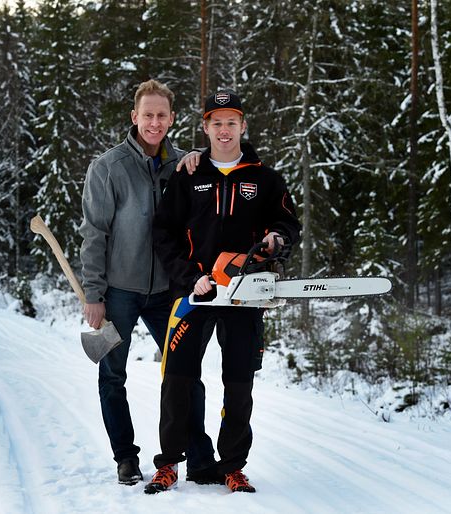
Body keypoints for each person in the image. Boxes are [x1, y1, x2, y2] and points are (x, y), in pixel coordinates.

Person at [146, 90, 301, 494]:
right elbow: (164, 233)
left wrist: (276, 241)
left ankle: (232, 465)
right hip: (195, 293)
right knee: (177, 378)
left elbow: (289, 226)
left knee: (238, 383)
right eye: (216, 122)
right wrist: (187, 277)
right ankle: (169, 464)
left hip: (244, 294)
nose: (224, 129)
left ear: (243, 125)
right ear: (205, 127)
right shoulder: (189, 173)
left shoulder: (265, 178)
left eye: (231, 122)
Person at [80, 79, 218, 486]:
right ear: (134, 117)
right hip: (120, 291)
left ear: (172, 119)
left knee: (185, 372)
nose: (154, 122)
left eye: (162, 115)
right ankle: (125, 456)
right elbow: (94, 234)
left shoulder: (185, 165)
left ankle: (199, 457)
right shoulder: (109, 167)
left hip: (169, 293)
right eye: (148, 115)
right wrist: (94, 294)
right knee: (112, 375)